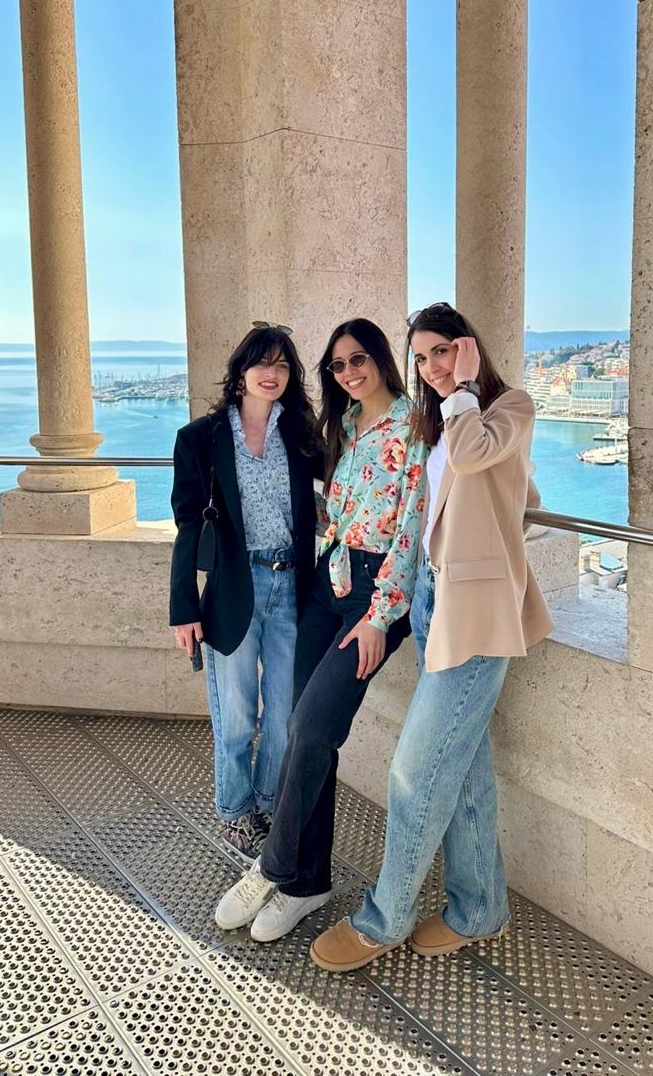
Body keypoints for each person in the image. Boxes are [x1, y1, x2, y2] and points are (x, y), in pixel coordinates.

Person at [308, 302, 553, 971]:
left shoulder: (507, 407)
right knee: (462, 768)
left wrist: (464, 389)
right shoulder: (437, 421)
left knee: (415, 772)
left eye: (441, 351)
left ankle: (383, 919)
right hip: (429, 601)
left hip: (477, 615)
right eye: (420, 358)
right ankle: (480, 910)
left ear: (467, 348)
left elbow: (480, 459)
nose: (430, 367)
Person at [213, 318, 427, 942]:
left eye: (358, 359)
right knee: (301, 731)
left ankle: (271, 867)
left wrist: (380, 617)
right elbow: (335, 509)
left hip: (372, 596)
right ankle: (308, 883)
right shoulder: (348, 425)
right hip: (324, 584)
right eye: (337, 365)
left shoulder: (415, 426)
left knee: (312, 726)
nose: (349, 372)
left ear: (382, 358)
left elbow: (411, 529)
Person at [169, 322, 320, 858]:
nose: (271, 373)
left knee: (283, 713)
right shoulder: (200, 439)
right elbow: (189, 525)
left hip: (292, 587)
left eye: (282, 365)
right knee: (235, 715)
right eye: (261, 362)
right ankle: (235, 812)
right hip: (236, 587)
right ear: (240, 373)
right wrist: (184, 607)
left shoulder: (301, 435)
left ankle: (268, 802)